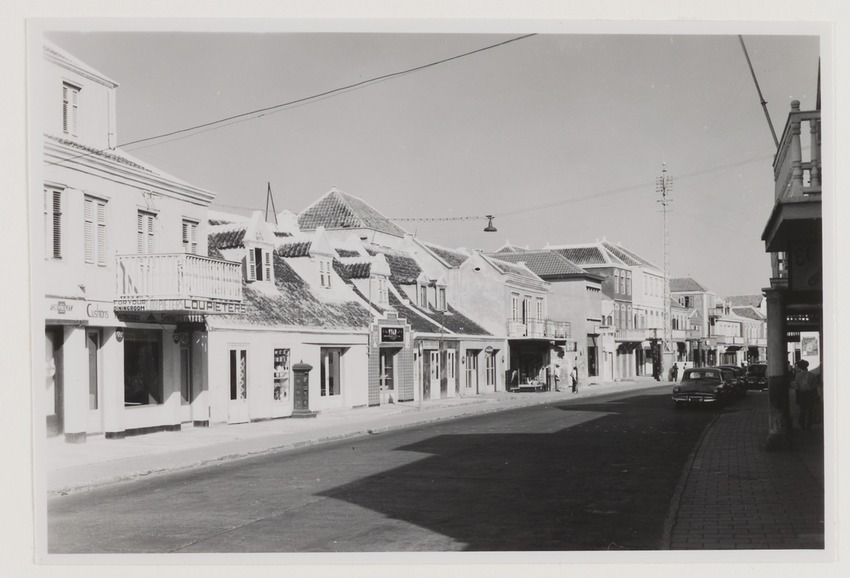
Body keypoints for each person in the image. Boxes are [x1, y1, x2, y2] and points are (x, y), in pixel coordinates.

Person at [792, 359, 818, 430]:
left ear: (800, 367)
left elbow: (797, 388)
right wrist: (816, 396)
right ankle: (809, 425)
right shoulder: (812, 375)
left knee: (802, 410)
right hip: (810, 394)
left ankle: (802, 424)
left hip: (802, 394)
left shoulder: (798, 376)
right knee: (810, 410)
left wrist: (797, 398)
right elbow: (814, 387)